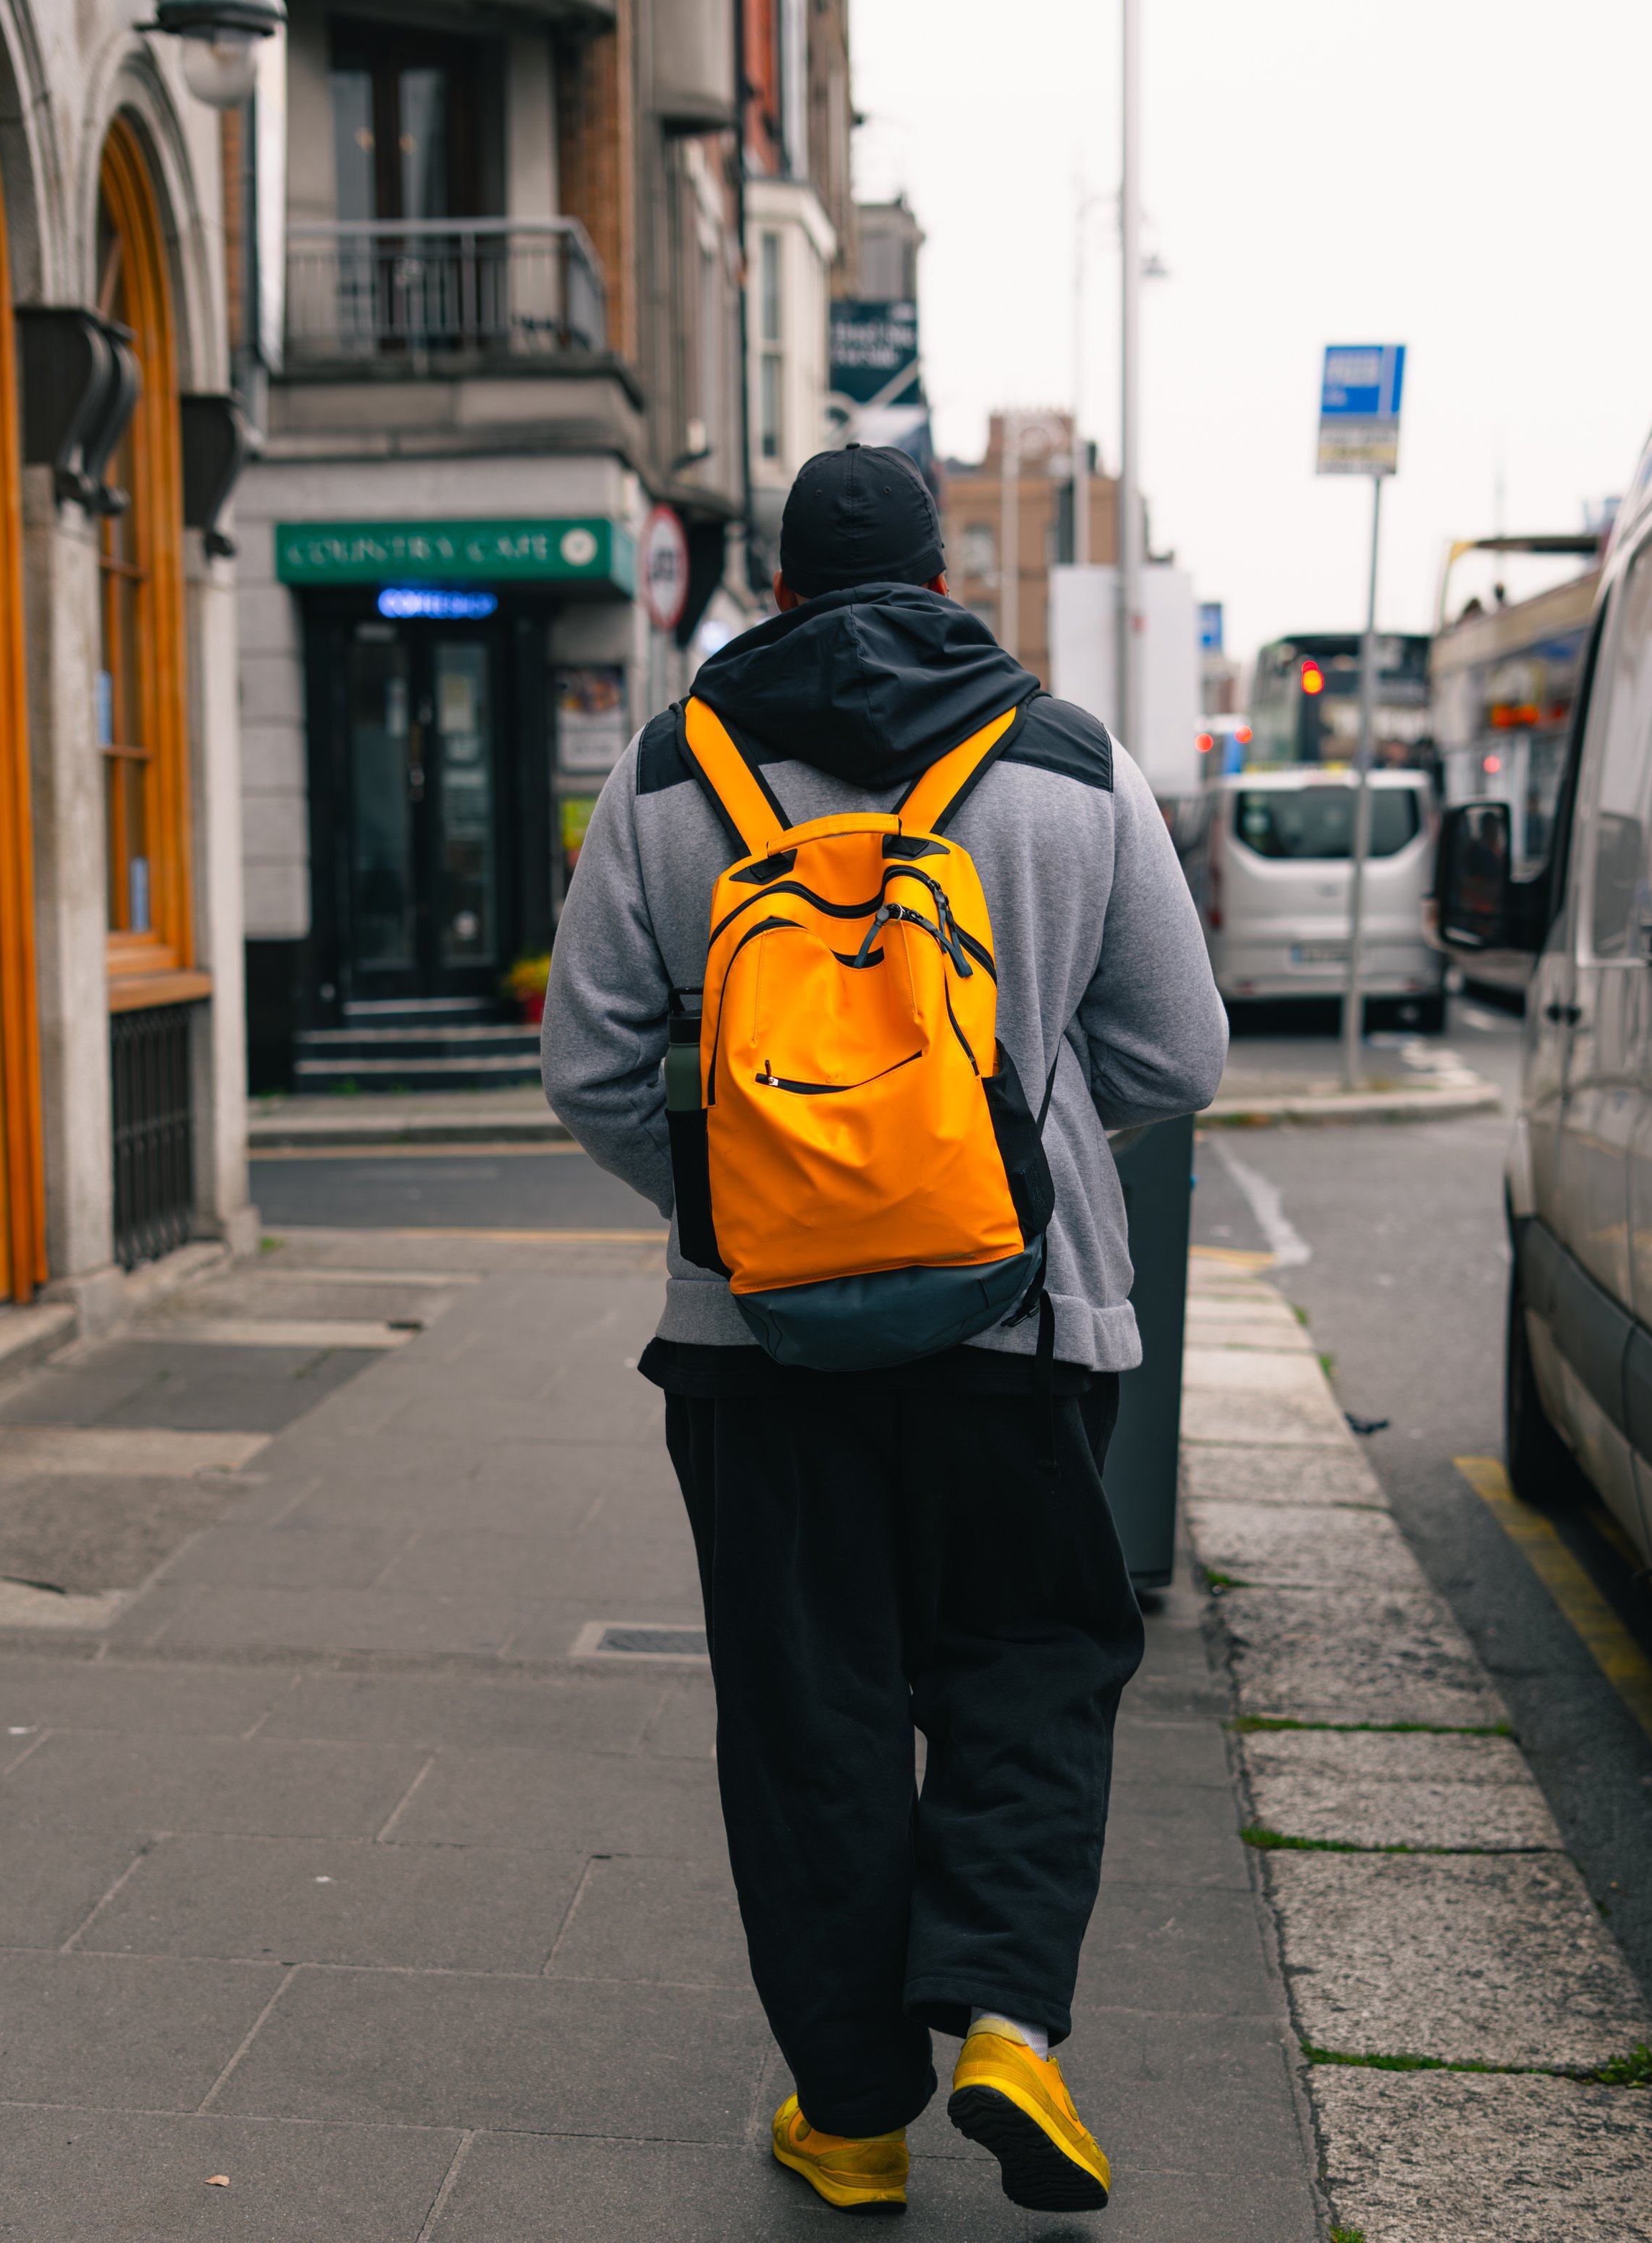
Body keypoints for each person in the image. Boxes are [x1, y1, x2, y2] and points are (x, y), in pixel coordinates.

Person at [543, 444, 1227, 2216]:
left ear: (771, 589)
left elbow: (591, 1069)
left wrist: (755, 1210)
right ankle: (1005, 2019)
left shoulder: (668, 769)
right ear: (941, 584)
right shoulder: (1071, 763)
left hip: (750, 1353)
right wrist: (1005, 1164)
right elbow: (1177, 1055)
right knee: (1029, 1658)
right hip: (1024, 1331)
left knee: (806, 1706)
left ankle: (848, 2120)